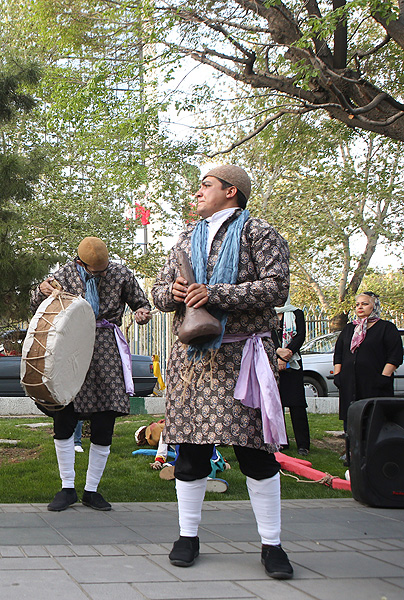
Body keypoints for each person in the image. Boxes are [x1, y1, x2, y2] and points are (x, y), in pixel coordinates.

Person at [152, 165, 293, 579]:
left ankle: (271, 544)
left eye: (206, 185)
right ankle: (187, 536)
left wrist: (215, 294)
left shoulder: (259, 233)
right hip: (193, 361)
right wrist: (173, 293)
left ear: (231, 192)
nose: (198, 191)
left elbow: (277, 287)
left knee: (255, 453)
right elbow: (158, 293)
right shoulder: (184, 239)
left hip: (243, 357)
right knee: (191, 451)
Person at [30, 236, 151, 512]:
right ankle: (67, 487)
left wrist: (143, 312)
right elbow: (36, 300)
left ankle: (92, 491)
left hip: (106, 349)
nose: (99, 273)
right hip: (71, 347)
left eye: (103, 268)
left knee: (104, 420)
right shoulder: (64, 274)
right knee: (64, 415)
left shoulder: (121, 273)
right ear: (79, 262)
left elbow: (140, 302)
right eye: (93, 270)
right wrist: (41, 288)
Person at [333, 291, 403, 465]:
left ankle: (373, 453)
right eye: (357, 304)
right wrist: (338, 374)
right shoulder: (350, 328)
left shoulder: (386, 328)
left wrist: (384, 377)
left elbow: (395, 355)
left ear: (374, 306)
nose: (360, 307)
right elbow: (339, 353)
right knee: (351, 418)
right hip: (350, 383)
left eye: (364, 304)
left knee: (372, 418)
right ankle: (351, 453)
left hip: (375, 384)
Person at [272, 299, 310, 456]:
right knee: (276, 405)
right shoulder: (268, 314)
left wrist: (286, 356)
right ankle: (281, 441)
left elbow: (300, 336)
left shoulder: (296, 313)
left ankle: (303, 445)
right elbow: (266, 336)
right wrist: (277, 353)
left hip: (293, 364)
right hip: (273, 363)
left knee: (297, 405)